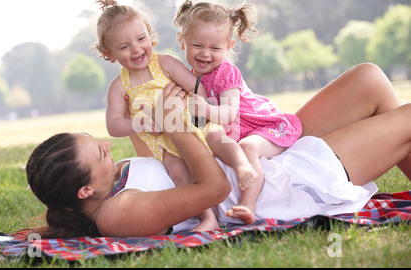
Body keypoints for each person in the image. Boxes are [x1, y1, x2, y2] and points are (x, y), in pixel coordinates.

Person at [25, 64, 411, 239]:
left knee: (369, 78)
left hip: (255, 155)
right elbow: (213, 191)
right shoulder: (116, 215)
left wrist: (153, 109)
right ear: (84, 192)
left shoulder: (112, 184)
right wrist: (178, 126)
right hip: (276, 185)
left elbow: (155, 155)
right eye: (100, 154)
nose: (108, 146)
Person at [92, 0, 257, 231]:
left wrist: (198, 110)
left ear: (150, 35)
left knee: (218, 139)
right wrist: (140, 123)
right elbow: (114, 125)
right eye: (124, 47)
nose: (137, 48)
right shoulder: (119, 86)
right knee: (178, 171)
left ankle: (242, 166)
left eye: (141, 39)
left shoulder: (165, 64)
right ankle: (206, 218)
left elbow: (197, 86)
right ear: (109, 54)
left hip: (193, 121)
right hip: (163, 140)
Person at [174, 0, 302, 224]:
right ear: (182, 41)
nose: (205, 54)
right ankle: (208, 213)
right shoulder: (188, 76)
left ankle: (247, 205)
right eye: (197, 46)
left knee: (248, 147)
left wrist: (205, 109)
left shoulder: (226, 72)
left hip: (262, 125)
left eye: (215, 48)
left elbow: (229, 113)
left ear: (229, 46)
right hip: (235, 131)